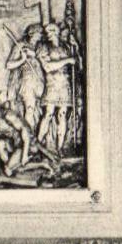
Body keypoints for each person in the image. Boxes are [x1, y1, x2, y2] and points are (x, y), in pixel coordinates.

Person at [36, 21, 74, 152]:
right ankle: (37, 146)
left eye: (51, 31)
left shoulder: (66, 47)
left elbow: (76, 64)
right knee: (48, 114)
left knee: (62, 115)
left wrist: (77, 49)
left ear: (57, 32)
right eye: (47, 32)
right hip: (52, 84)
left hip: (65, 84)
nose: (49, 35)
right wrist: (68, 60)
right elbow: (48, 67)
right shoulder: (43, 48)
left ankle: (59, 148)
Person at [4, 23, 45, 130]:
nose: (41, 35)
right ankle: (29, 137)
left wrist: (34, 55)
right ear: (32, 33)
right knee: (30, 109)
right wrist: (22, 59)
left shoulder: (41, 47)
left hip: (40, 81)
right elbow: (9, 65)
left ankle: (34, 135)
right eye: (39, 32)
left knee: (39, 111)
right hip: (27, 82)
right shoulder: (21, 45)